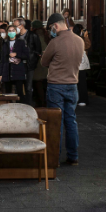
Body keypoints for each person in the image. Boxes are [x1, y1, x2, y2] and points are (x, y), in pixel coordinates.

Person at [42, 13, 84, 165]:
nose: (50, 31)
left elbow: (44, 62)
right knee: (71, 121)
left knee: (56, 123)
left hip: (56, 86)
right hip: (72, 85)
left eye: (50, 28)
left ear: (55, 26)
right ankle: (73, 156)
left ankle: (55, 157)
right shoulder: (79, 41)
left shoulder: (55, 42)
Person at [13, 18, 42, 105]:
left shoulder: (33, 36)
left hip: (29, 64)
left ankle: (28, 105)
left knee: (28, 87)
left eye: (15, 26)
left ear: (21, 26)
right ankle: (20, 104)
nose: (14, 28)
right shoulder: (16, 37)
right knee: (18, 86)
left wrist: (32, 58)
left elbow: (38, 50)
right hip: (18, 65)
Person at [0, 25, 29, 103]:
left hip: (18, 69)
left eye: (13, 30)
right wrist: (0, 73)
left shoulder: (21, 42)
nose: (11, 32)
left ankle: (21, 108)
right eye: (9, 31)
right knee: (7, 93)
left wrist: (17, 54)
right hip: (7, 70)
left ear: (16, 32)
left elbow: (27, 55)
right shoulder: (5, 43)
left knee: (19, 92)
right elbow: (2, 59)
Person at [72, 24, 91, 106]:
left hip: (72, 63)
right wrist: (86, 36)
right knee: (82, 81)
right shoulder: (81, 39)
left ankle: (74, 99)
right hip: (81, 63)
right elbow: (87, 46)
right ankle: (82, 99)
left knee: (73, 82)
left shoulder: (71, 38)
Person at [31, 20, 49, 108]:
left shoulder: (33, 36)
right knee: (45, 86)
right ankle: (45, 103)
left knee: (38, 86)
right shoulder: (47, 35)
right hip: (46, 64)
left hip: (37, 64)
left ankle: (40, 104)